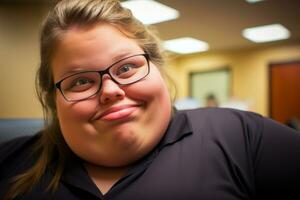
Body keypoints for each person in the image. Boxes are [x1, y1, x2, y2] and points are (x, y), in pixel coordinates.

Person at [1, 0, 300, 199]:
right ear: (53, 98)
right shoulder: (11, 161)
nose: (110, 90)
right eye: (80, 81)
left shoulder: (239, 137)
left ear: (156, 67)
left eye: (127, 67)